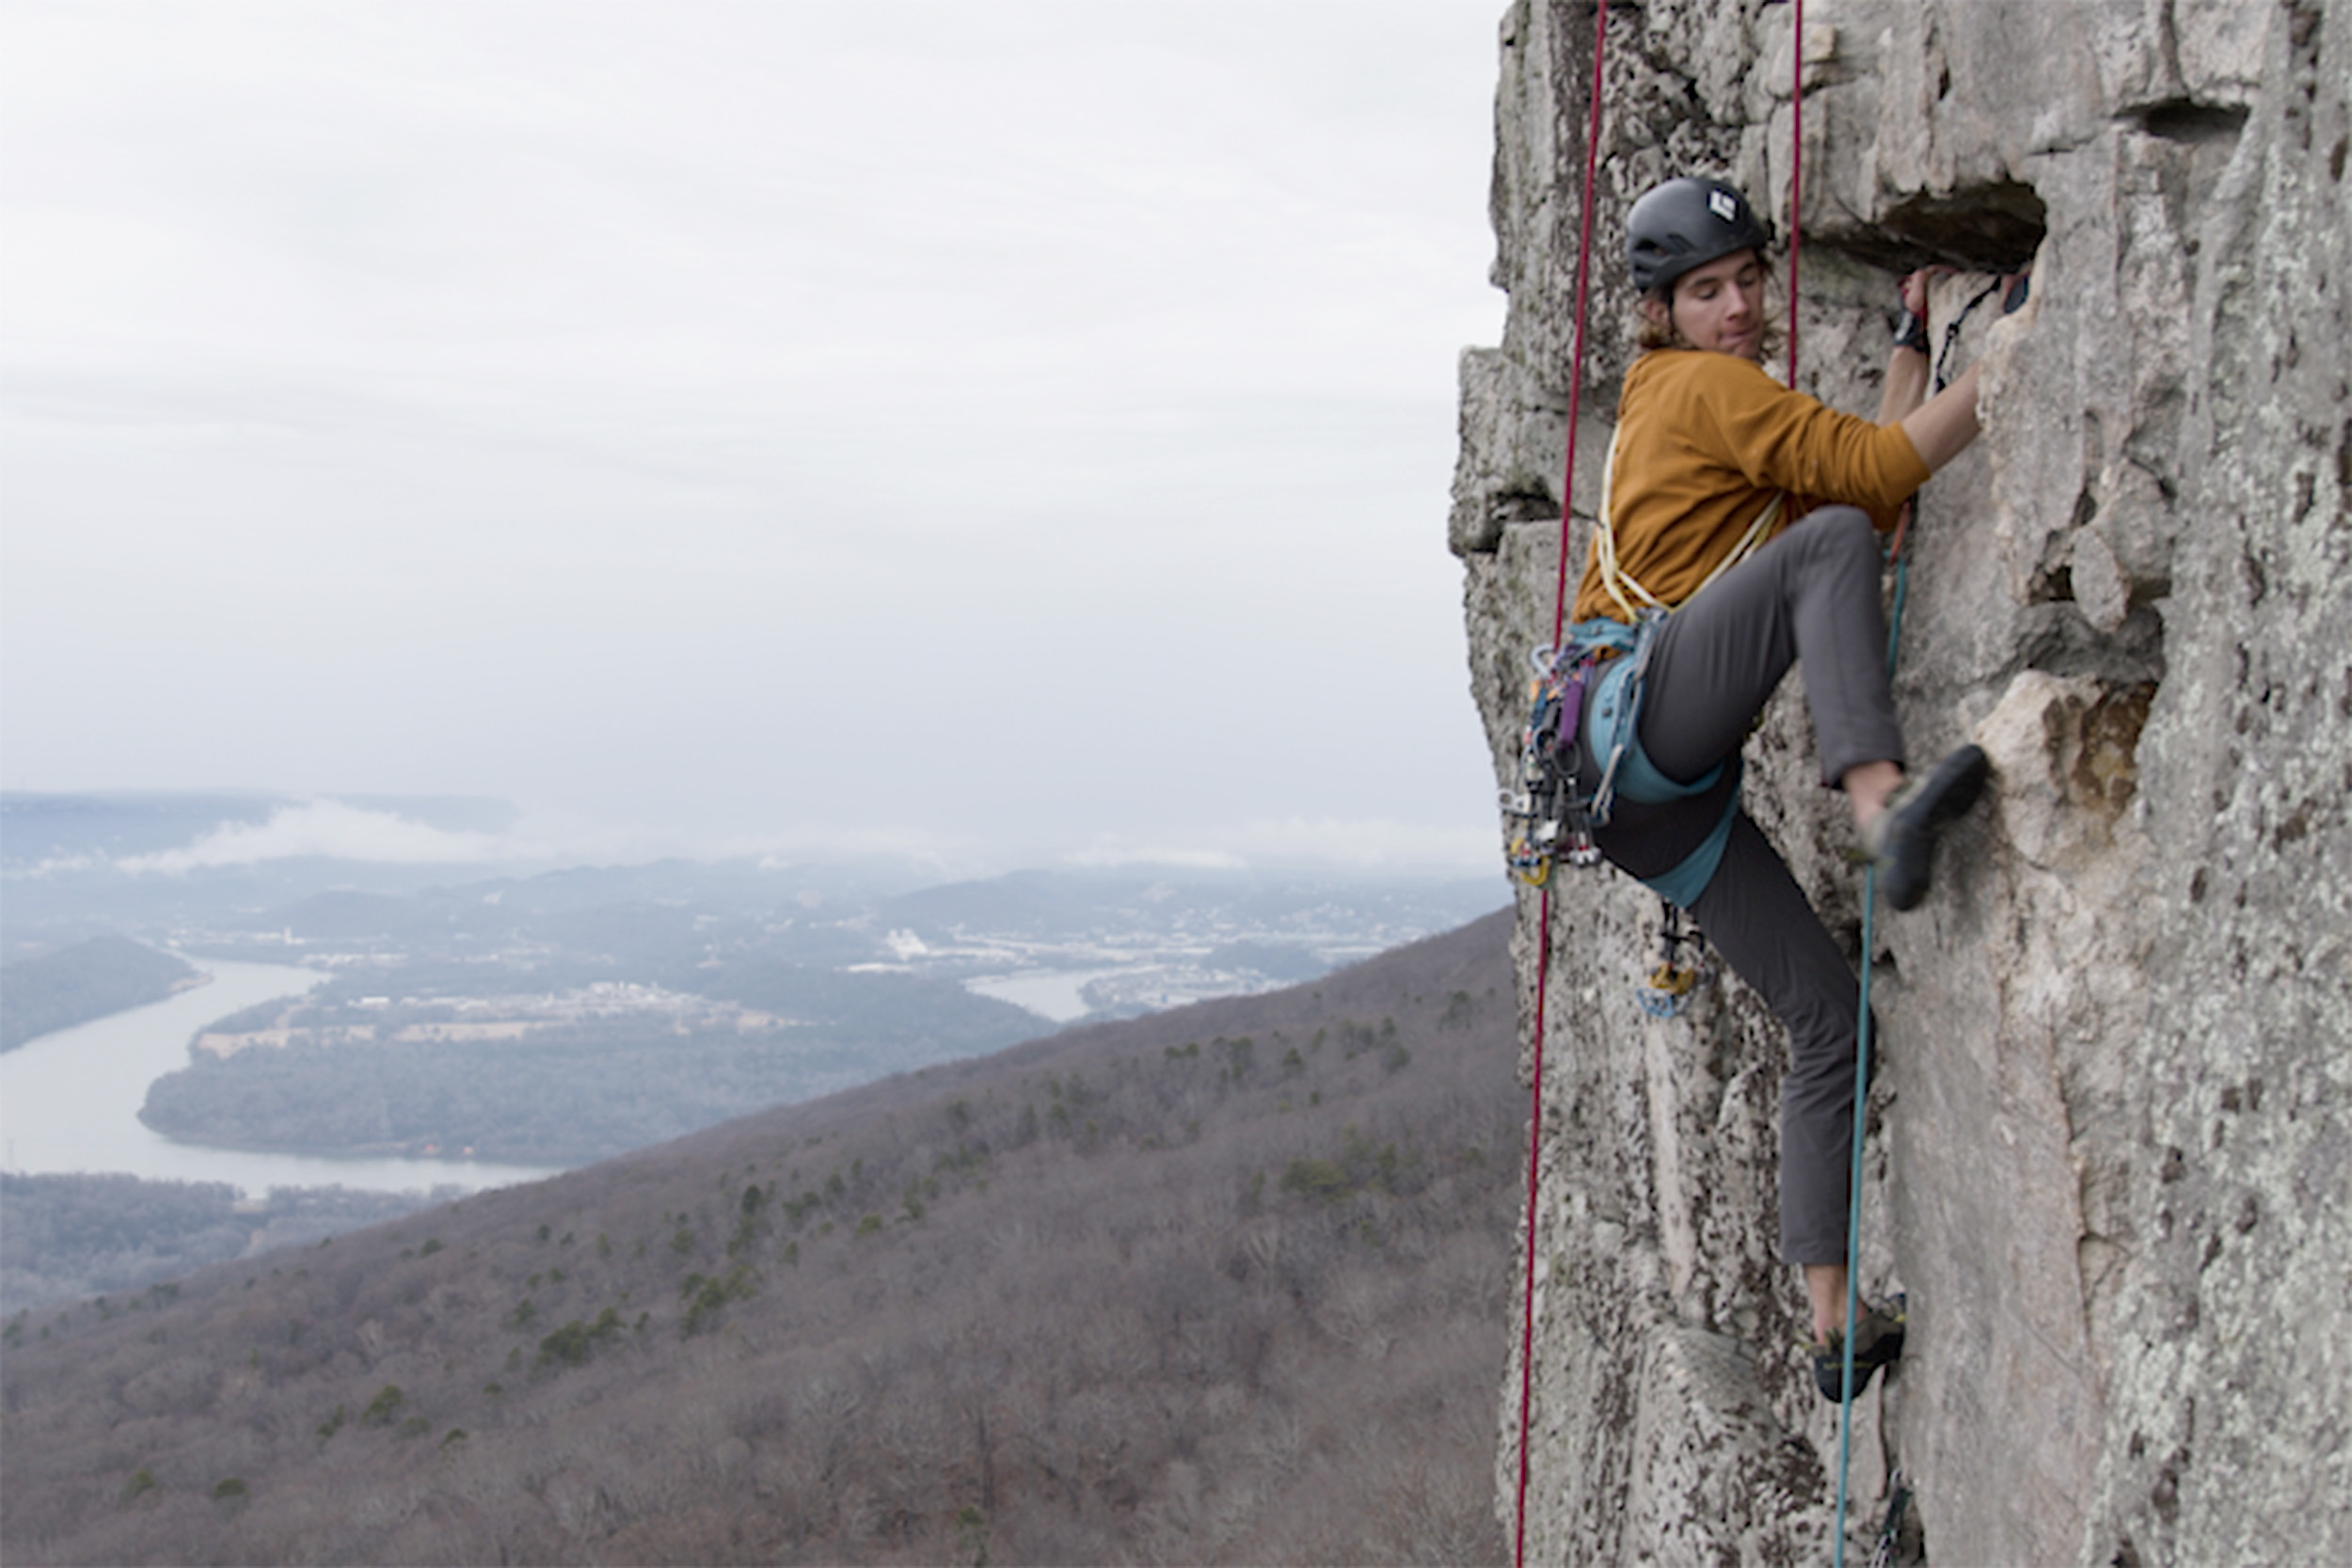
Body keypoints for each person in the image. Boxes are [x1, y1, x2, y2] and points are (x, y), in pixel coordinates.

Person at [1566, 175, 1999, 1401]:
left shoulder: (1680, 397)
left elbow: (1868, 477)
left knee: (1826, 1020)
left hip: (1646, 796)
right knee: (1830, 545)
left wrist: (1915, 343)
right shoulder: (1703, 387)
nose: (1741, 306)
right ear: (1662, 312)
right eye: (1708, 290)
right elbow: (1858, 495)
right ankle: (1880, 806)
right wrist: (2013, 355)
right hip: (1648, 727)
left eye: (1750, 279)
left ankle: (1831, 1320)